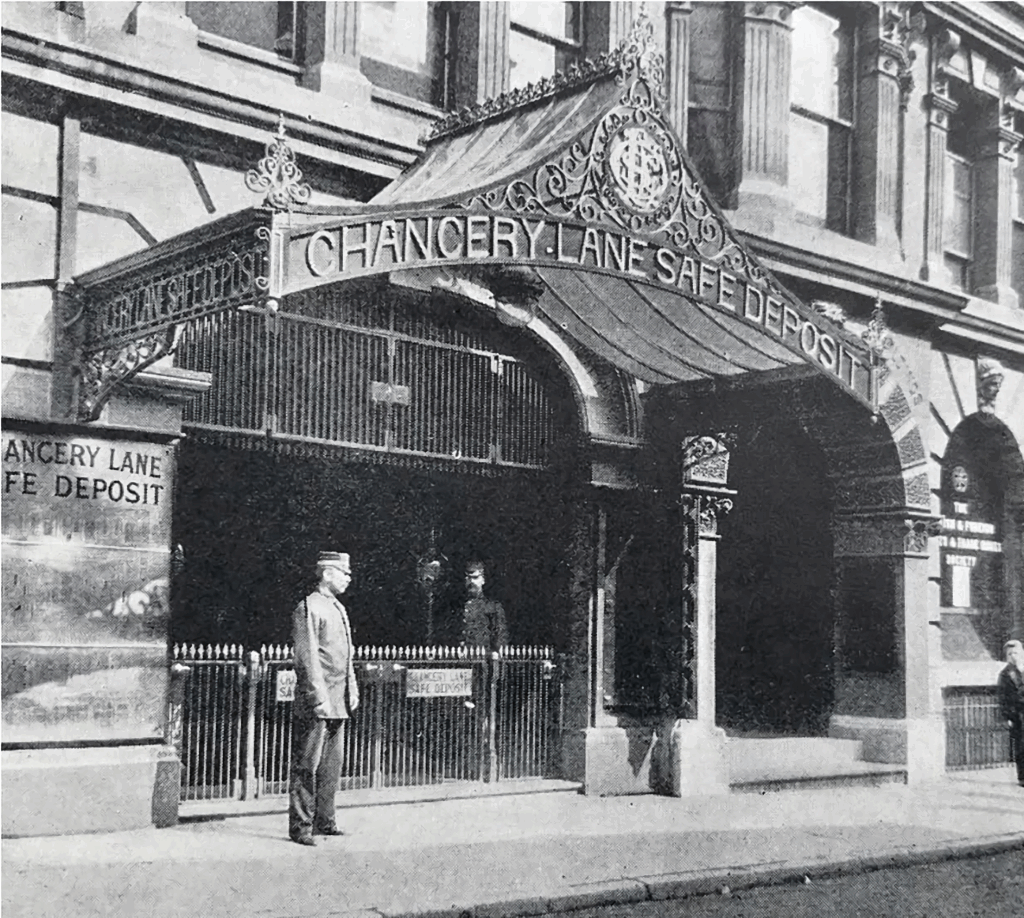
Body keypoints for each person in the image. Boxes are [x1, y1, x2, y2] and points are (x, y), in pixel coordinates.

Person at [289, 551, 360, 846]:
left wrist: (352, 688)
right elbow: (307, 658)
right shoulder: (309, 606)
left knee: (332, 766)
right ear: (326, 573)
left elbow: (347, 656)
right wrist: (318, 697)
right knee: (307, 765)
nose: (348, 578)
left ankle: (325, 820)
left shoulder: (338, 608)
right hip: (318, 701)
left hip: (338, 699)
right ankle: (301, 826)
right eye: (343, 572)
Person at [459, 561, 508, 653]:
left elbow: (500, 636)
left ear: (483, 580)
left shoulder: (492, 607)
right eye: (468, 578)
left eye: (475, 578)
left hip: (482, 657)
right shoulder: (455, 606)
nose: (471, 581)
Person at [998, 639, 1024, 787]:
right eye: (1010, 653)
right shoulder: (1006, 674)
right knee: (1021, 745)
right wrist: (1007, 716)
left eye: (1016, 652)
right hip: (1018, 714)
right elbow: (1002, 696)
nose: (1014, 656)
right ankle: (1023, 777)